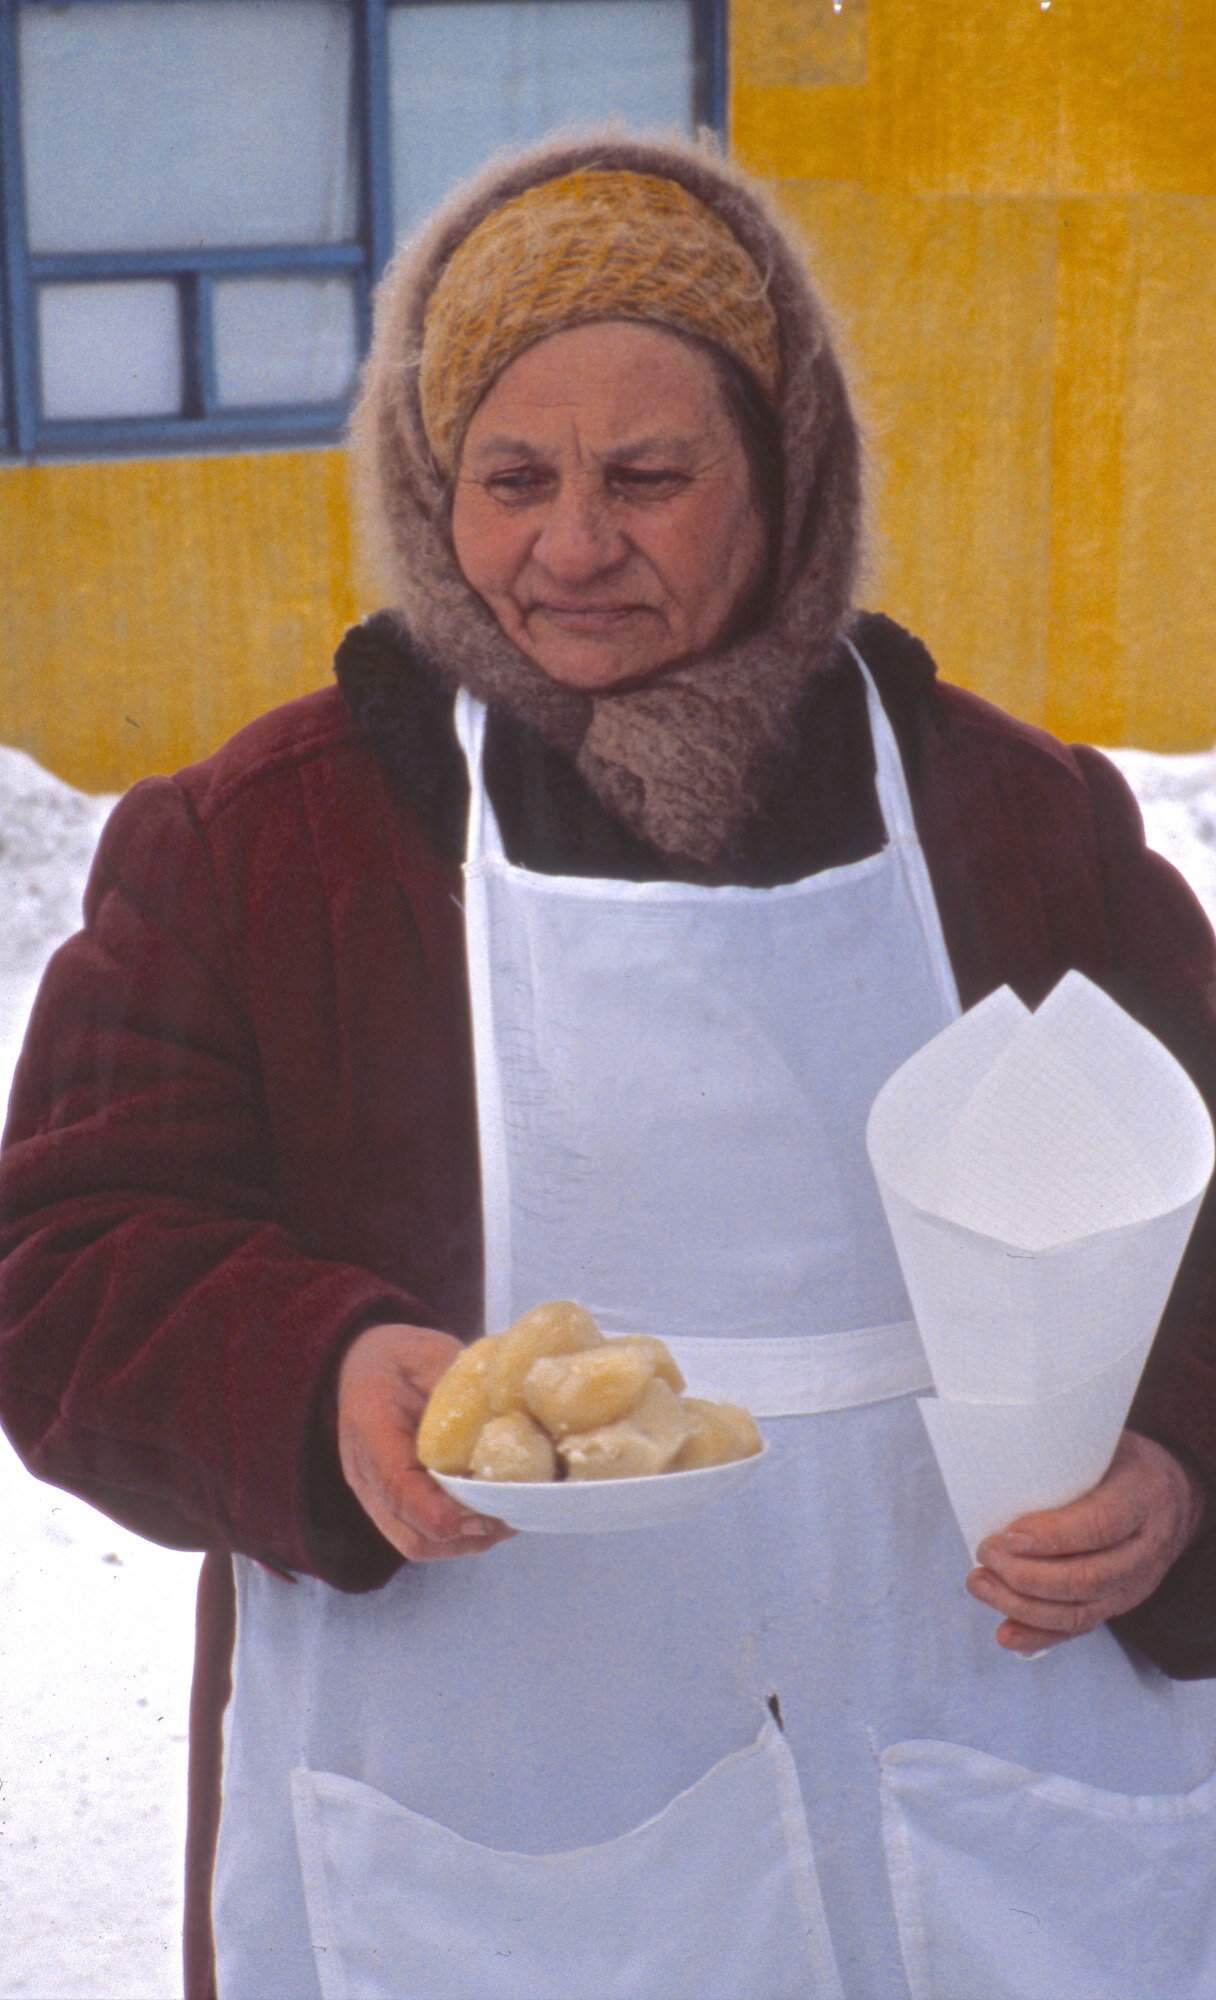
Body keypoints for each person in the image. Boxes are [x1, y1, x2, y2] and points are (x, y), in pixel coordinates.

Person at [4, 133, 1216, 2000]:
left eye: (649, 476)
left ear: (788, 476)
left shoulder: (1016, 822)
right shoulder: (265, 846)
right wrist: (316, 1377)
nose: (570, 547)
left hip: (994, 1781)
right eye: (509, 479)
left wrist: (1188, 1465)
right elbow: (66, 1266)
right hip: (488, 1815)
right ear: (430, 484)